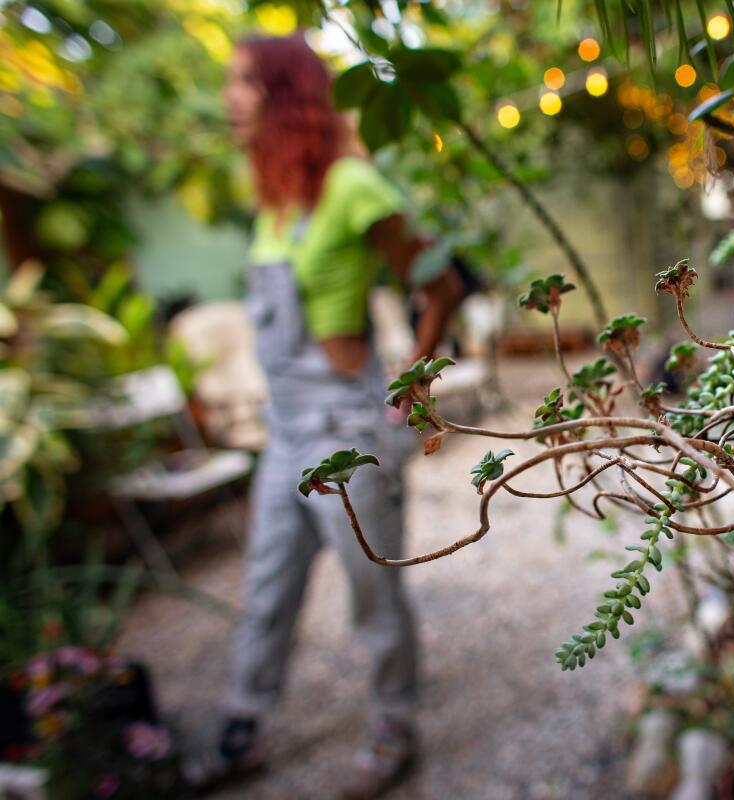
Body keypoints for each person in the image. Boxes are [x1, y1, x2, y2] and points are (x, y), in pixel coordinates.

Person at [187, 34, 466, 799]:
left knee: (372, 588)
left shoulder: (352, 186)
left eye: (244, 83)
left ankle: (393, 721)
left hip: (346, 432)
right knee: (267, 586)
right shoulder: (275, 207)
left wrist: (414, 373)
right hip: (283, 434)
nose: (230, 99)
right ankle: (243, 724)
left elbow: (439, 281)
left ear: (286, 95)